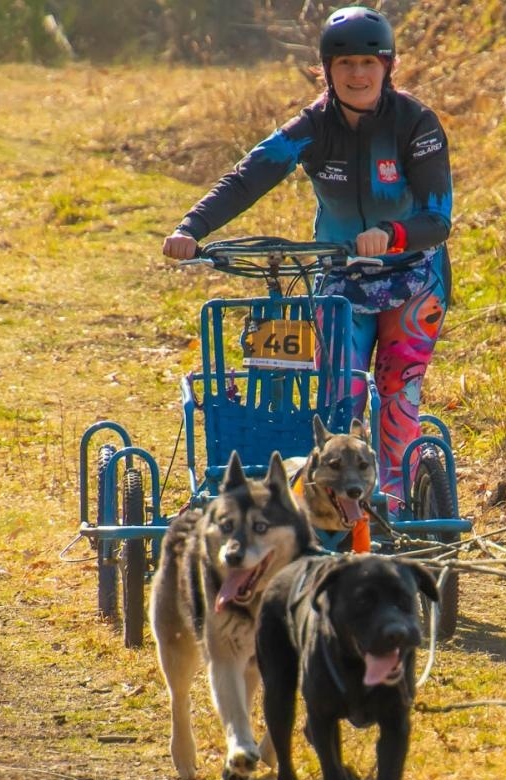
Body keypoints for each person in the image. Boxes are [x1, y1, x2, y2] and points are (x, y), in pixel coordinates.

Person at [162, 5, 453, 514]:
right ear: (326, 69)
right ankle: (334, 508)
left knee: (396, 391)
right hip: (340, 277)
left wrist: (391, 232)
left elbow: (438, 217)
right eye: (344, 64)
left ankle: (396, 508)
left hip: (414, 278)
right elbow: (247, 177)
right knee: (339, 395)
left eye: (368, 62)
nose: (357, 74)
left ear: (388, 66)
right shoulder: (312, 127)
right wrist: (192, 227)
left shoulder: (416, 123)